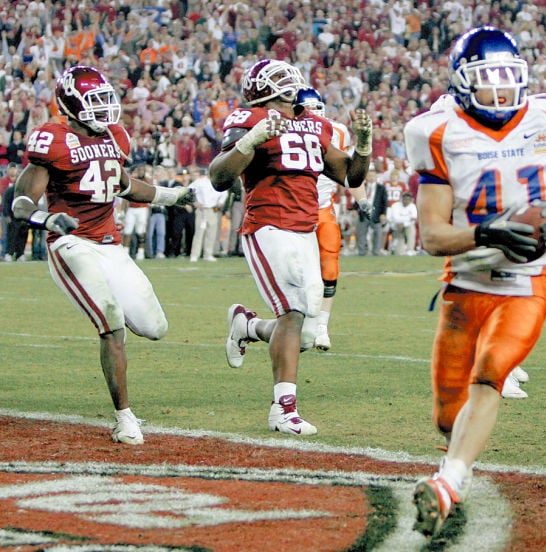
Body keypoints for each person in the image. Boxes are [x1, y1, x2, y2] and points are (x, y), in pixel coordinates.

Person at [403, 27, 546, 538]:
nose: (499, 92)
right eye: (486, 81)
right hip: (466, 284)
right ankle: (455, 463)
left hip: (526, 282)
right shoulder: (438, 132)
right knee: (448, 415)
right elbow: (432, 235)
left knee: (490, 377)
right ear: (463, 84)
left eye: (506, 79)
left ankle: (448, 485)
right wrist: (487, 231)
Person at [11, 66, 190, 445]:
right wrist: (48, 217)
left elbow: (123, 185)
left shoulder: (114, 137)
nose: (105, 108)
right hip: (71, 243)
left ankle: (106, 318)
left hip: (109, 245)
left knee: (155, 328)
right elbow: (22, 203)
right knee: (111, 322)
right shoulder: (53, 138)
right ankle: (124, 417)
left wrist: (172, 196)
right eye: (94, 101)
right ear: (71, 105)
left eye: (106, 99)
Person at [209, 59, 372, 435]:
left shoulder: (315, 124)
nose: (288, 81)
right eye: (277, 77)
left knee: (307, 332)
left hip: (305, 229)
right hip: (267, 225)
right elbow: (219, 177)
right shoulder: (247, 119)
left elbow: (351, 175)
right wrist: (250, 141)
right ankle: (283, 409)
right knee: (294, 312)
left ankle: (247, 326)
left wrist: (363, 146)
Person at [294, 87, 372, 351]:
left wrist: (362, 200)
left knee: (329, 268)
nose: (315, 114)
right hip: (293, 210)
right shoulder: (286, 129)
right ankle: (300, 322)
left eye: (318, 108)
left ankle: (321, 327)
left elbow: (351, 173)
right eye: (309, 108)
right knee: (297, 273)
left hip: (323, 208)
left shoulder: (337, 131)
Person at [188, 167, 227, 263]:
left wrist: (220, 202)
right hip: (202, 210)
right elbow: (189, 190)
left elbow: (224, 193)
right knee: (199, 233)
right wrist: (194, 201)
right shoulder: (200, 182)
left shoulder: (218, 182)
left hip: (213, 210)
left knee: (211, 233)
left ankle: (208, 254)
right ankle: (194, 255)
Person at [354, 167, 388, 256]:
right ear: (366, 176)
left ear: (376, 176)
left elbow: (384, 202)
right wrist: (355, 209)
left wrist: (383, 213)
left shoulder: (381, 188)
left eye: (373, 175)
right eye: (369, 175)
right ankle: (361, 252)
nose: (371, 177)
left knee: (378, 233)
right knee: (361, 233)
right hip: (363, 212)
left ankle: (376, 251)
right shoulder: (362, 187)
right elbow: (357, 198)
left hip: (376, 213)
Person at [388, 191, 417, 255]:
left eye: (408, 200)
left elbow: (414, 218)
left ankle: (410, 250)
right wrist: (408, 218)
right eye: (405, 199)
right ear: (402, 199)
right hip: (396, 226)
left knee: (411, 230)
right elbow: (395, 218)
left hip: (408, 225)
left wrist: (404, 223)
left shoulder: (412, 206)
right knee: (399, 241)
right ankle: (400, 251)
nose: (406, 201)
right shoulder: (395, 206)